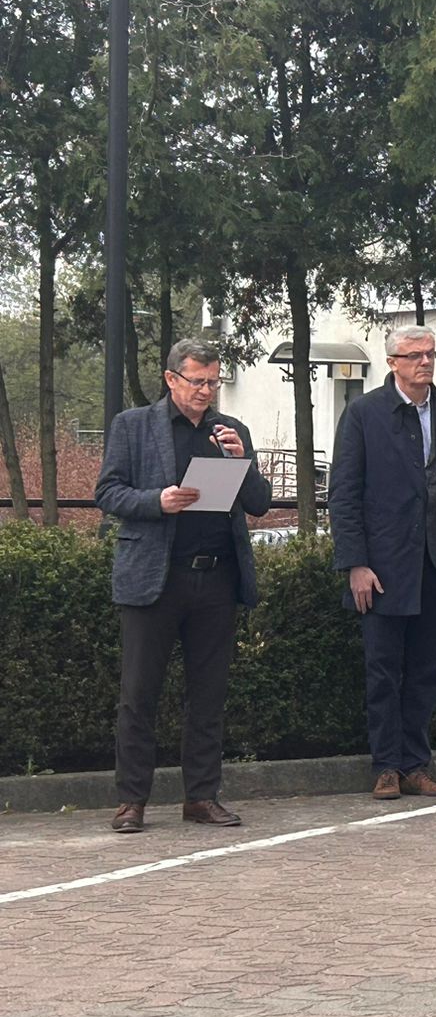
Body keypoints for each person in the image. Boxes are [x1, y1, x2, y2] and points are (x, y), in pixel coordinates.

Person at [93, 339, 274, 834]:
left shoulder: (231, 430)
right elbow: (107, 492)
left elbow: (259, 503)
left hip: (216, 578)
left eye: (214, 382)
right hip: (156, 577)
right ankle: (132, 801)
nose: (207, 391)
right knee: (139, 694)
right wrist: (158, 501)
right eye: (198, 381)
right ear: (172, 379)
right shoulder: (133, 426)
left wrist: (242, 461)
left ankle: (201, 797)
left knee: (208, 695)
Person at [330, 324, 436, 801]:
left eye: (431, 354)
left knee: (425, 672)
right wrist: (355, 563)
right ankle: (386, 767)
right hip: (383, 566)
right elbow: (344, 494)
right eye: (415, 355)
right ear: (393, 362)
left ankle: (416, 765)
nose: (426, 362)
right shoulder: (364, 414)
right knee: (382, 670)